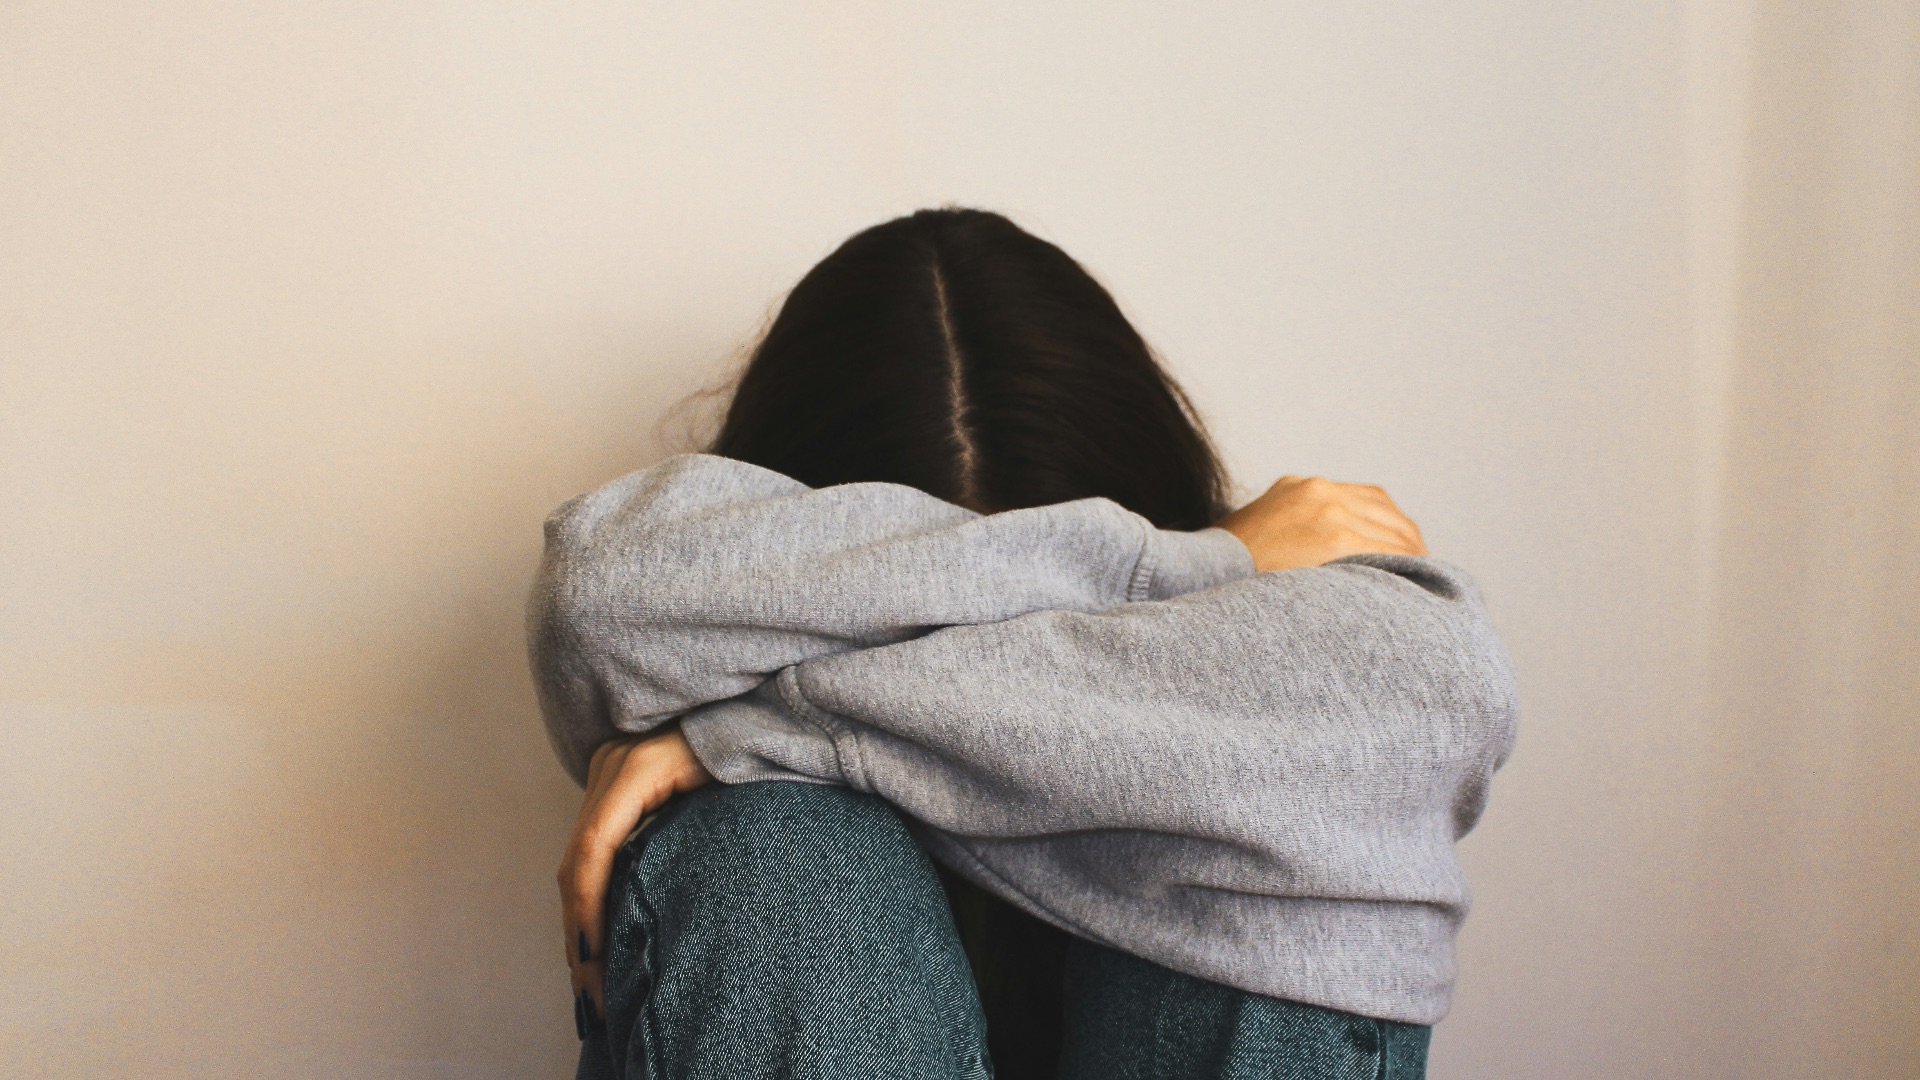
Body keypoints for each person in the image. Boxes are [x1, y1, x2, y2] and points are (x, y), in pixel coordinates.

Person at [527, 208, 1517, 1080]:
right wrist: (1181, 573)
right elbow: (598, 595)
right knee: (767, 846)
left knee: (1294, 814)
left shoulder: (743, 693)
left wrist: (754, 721)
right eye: (920, 605)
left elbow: (1441, 687)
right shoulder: (1207, 571)